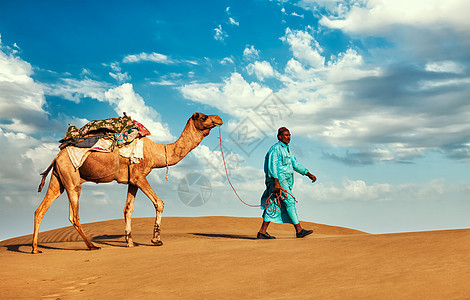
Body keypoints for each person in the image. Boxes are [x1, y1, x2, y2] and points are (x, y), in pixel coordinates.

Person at [257, 127, 317, 239]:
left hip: (285, 182)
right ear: (280, 136)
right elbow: (272, 166)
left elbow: (295, 164)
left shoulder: (287, 150)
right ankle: (299, 230)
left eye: (289, 135)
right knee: (290, 202)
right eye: (286, 135)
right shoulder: (275, 149)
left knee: (272, 205)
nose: (288, 137)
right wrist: (276, 182)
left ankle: (262, 232)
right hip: (279, 181)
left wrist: (308, 174)